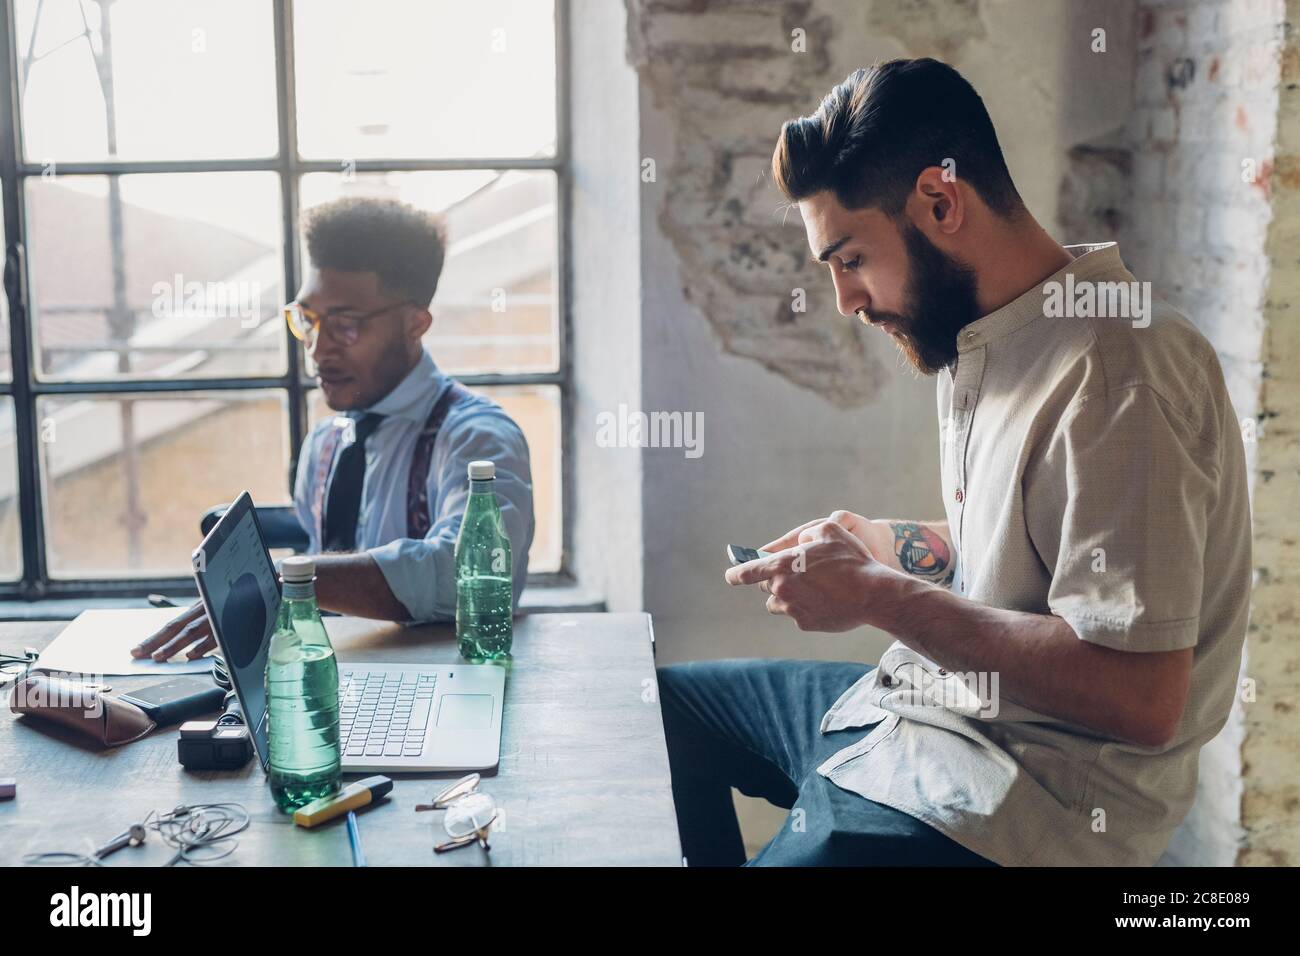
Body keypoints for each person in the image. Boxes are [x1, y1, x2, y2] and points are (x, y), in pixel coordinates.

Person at [660, 58, 1251, 866]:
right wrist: (879, 545)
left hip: (1025, 801)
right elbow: (1036, 547)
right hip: (923, 714)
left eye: (851, 259)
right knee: (654, 712)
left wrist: (877, 596)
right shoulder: (983, 334)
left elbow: (1140, 696)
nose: (847, 301)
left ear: (940, 202)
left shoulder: (1123, 370)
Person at [134, 197, 535, 661]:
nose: (318, 349)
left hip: (458, 687)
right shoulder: (325, 444)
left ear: (414, 324)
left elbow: (467, 573)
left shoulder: (478, 438)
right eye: (308, 320)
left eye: (345, 325)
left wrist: (290, 576)